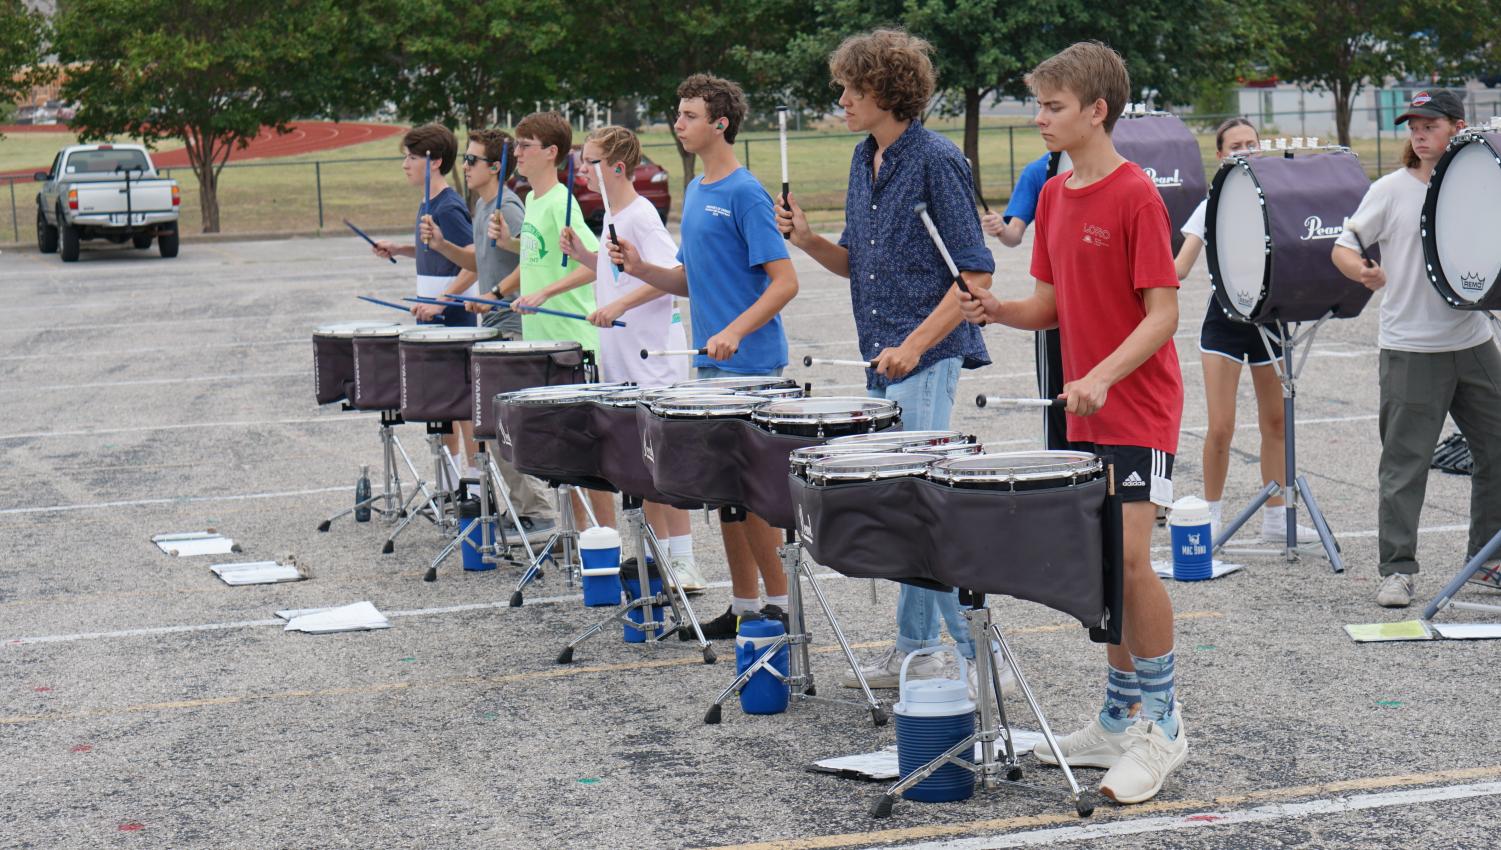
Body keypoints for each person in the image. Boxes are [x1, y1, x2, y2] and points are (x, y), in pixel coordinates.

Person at [957, 41, 1187, 804]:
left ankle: (1164, 726)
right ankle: (1118, 718)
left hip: (1135, 404)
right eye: (1038, 105)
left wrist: (1102, 376)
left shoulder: (1135, 197)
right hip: (1080, 404)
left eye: (1052, 107)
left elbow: (1163, 314)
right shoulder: (1054, 195)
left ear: (1096, 110)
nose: (1038, 119)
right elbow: (1049, 306)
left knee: (1127, 561)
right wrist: (997, 310)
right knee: (1098, 566)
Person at [775, 29, 998, 696]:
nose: (840, 99)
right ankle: (915, 649)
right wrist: (808, 240)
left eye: (850, 88)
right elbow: (856, 266)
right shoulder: (860, 158)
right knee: (906, 503)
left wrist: (914, 345)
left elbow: (975, 275)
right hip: (885, 354)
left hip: (923, 355)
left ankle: (975, 657)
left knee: (923, 503)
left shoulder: (936, 161)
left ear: (882, 91)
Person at [608, 73, 799, 638]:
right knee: (726, 495)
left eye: (689, 115)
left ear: (720, 124)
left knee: (755, 497)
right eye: (677, 113)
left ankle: (782, 609)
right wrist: (641, 268)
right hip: (712, 367)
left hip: (753, 367)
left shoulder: (745, 192)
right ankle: (743, 606)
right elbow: (692, 278)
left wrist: (736, 331)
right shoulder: (696, 191)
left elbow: (784, 282)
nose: (678, 123)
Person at [1331, 90, 1501, 607]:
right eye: (1413, 127)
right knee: (1405, 465)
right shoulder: (1391, 190)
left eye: (1430, 125)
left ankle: (1486, 560)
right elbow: (1343, 244)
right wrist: (1363, 270)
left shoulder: (1482, 185)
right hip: (1410, 348)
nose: (1420, 134)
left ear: (1458, 127)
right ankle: (1397, 570)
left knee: (1498, 449)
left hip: (1473, 340)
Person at [518, 124, 706, 591]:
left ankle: (684, 561)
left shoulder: (640, 214)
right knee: (641, 466)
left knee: (662, 467)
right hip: (622, 357)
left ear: (617, 167)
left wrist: (619, 305)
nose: (582, 168)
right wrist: (583, 254)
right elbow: (615, 271)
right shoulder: (611, 213)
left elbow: (672, 274)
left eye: (592, 161)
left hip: (652, 358)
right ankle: (660, 557)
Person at [1174, 119, 1317, 543]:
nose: (1245, 151)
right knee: (1221, 426)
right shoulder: (1212, 205)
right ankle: (1212, 515)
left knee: (1276, 422)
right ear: (1220, 156)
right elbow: (1180, 266)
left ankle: (1276, 519)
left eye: (1251, 144)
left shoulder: (1278, 200)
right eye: (1235, 146)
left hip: (1271, 322)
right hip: (1224, 325)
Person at [470, 111, 614, 533]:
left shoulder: (561, 202)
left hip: (571, 342)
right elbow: (540, 259)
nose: (517, 153)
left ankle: (600, 545)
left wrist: (545, 294)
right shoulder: (533, 200)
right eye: (516, 145)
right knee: (560, 454)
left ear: (552, 153)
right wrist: (502, 278)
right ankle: (577, 539)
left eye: (525, 146)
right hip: (542, 342)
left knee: (585, 457)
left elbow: (595, 265)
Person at [419, 128, 557, 542]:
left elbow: (529, 259)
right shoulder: (481, 207)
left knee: (507, 430)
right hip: (495, 329)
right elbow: (479, 262)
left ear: (496, 167)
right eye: (464, 158)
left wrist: (496, 293)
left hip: (514, 331)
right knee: (495, 431)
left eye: (472, 160)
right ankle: (522, 509)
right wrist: (443, 246)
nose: (465, 166)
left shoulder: (508, 206)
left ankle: (538, 514)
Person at [372, 123, 477, 480]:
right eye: (405, 157)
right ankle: (449, 482)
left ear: (435, 162)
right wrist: (400, 249)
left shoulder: (448, 207)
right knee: (442, 402)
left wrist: (443, 302)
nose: (405, 164)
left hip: (454, 321)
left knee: (462, 404)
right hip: (433, 319)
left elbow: (474, 262)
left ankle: (475, 482)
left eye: (413, 157)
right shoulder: (428, 201)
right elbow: (433, 250)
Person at [983, 152, 1068, 451]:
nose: (1043, 120)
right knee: (1057, 402)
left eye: (1055, 107)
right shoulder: (1037, 172)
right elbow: (1013, 234)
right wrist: (1001, 228)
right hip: (1055, 309)